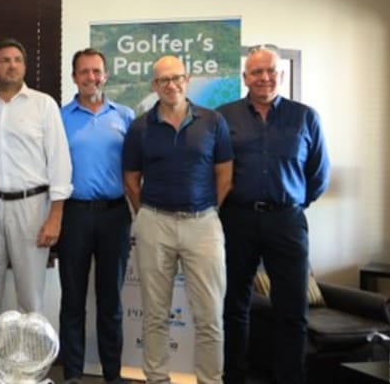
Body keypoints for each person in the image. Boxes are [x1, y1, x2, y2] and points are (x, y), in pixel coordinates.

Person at [217, 46, 330, 384]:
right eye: (256, 72)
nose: (264, 78)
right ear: (245, 77)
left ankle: (289, 379)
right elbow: (214, 168)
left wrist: (292, 204)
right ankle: (234, 377)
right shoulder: (224, 117)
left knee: (292, 310)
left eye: (270, 71)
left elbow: (319, 174)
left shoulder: (305, 117)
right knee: (233, 306)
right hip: (237, 220)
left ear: (280, 75)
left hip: (287, 221)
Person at [0, 38, 73, 384]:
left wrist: (55, 214)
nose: (11, 65)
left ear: (24, 67)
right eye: (4, 60)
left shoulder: (44, 105)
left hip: (33, 207)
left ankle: (32, 374)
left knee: (31, 299)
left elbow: (59, 161)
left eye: (17, 60)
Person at [122, 55, 234, 384]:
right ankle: (157, 379)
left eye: (177, 78)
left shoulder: (213, 121)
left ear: (187, 79)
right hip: (155, 222)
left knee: (210, 315)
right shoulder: (140, 126)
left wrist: (206, 208)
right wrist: (147, 215)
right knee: (155, 315)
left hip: (203, 224)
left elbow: (224, 176)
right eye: (163, 80)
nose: (171, 85)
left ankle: (210, 380)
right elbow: (131, 179)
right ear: (153, 86)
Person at [58, 49, 135, 384]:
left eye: (97, 72)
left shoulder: (126, 115)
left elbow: (136, 168)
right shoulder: (59, 117)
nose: (91, 78)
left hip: (115, 216)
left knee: (111, 302)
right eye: (84, 72)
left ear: (105, 75)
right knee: (73, 301)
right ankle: (73, 375)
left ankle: (112, 375)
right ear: (74, 77)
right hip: (73, 215)